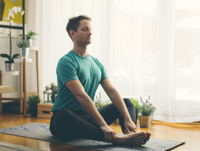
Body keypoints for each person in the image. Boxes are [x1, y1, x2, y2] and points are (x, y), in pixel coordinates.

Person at [49, 15, 150, 146]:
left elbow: (112, 92)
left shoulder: (95, 63)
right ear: (72, 33)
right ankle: (116, 138)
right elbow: (81, 95)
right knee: (63, 114)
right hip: (65, 123)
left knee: (127, 103)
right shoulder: (66, 62)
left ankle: (129, 133)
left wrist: (127, 119)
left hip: (87, 119)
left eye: (90, 29)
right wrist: (104, 125)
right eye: (85, 29)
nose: (90, 32)